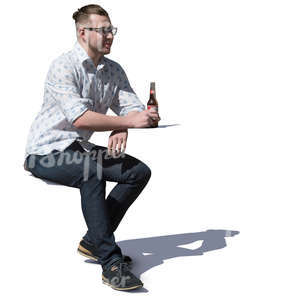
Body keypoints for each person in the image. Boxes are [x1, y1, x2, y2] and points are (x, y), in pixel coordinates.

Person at [23, 4, 160, 291]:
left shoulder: (113, 70)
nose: (110, 35)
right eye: (103, 30)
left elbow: (131, 107)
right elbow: (79, 117)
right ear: (82, 32)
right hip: (44, 153)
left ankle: (92, 241)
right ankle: (110, 263)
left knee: (138, 172)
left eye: (112, 30)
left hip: (77, 147)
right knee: (91, 172)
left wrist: (122, 125)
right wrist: (126, 121)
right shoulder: (63, 66)